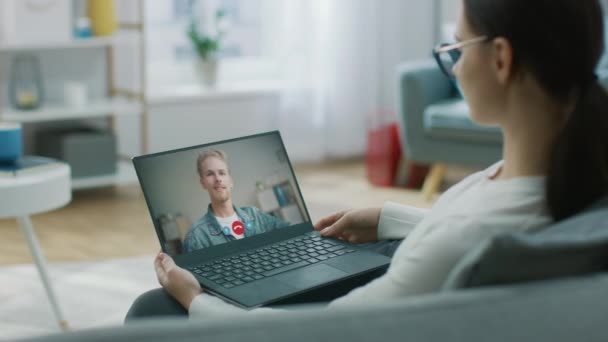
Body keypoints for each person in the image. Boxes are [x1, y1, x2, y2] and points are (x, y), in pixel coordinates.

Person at [126, 0, 608, 320]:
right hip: (414, 275)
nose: (454, 65)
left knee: (153, 309)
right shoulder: (568, 179)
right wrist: (387, 218)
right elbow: (473, 230)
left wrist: (195, 299)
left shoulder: (466, 239)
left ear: (501, 59)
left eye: (456, 48)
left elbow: (319, 335)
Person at [182, 149, 290, 252]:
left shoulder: (255, 215)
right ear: (203, 183)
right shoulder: (196, 237)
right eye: (210, 174)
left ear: (231, 181)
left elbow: (291, 232)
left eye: (222, 173)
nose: (218, 179)